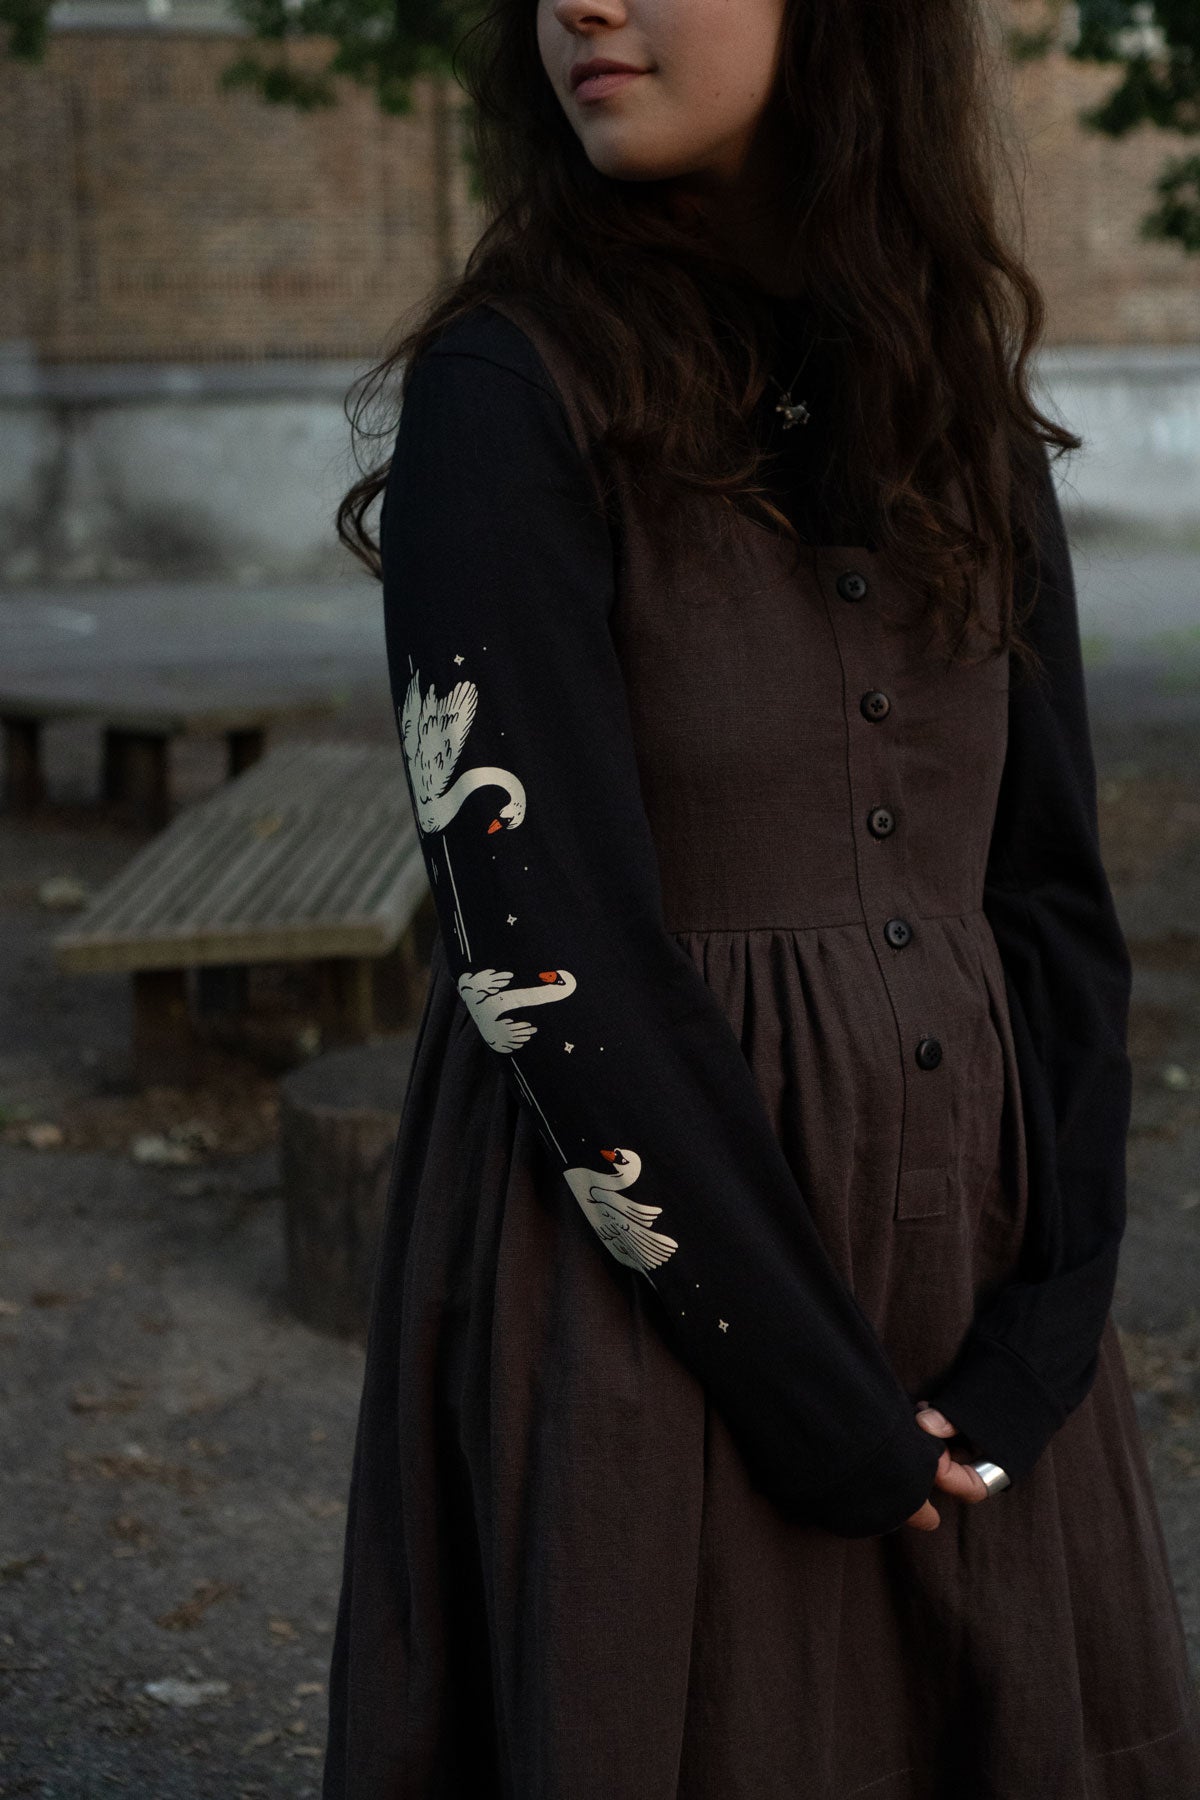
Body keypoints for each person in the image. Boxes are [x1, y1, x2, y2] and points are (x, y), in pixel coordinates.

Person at [322, 1, 1200, 1794]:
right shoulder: (509, 394)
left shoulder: (945, 391)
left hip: (968, 1262)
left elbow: (1050, 895)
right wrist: (813, 1397)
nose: (584, 2)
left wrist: (1044, 1332)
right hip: (645, 1289)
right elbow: (544, 950)